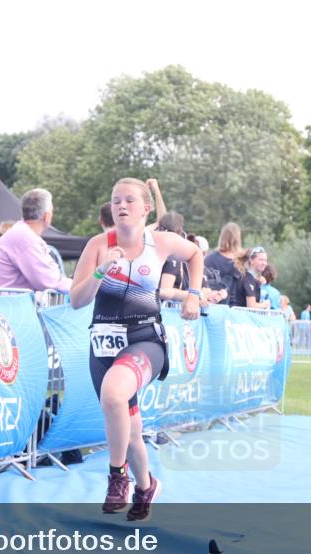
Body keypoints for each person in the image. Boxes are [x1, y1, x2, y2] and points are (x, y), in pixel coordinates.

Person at [69, 177, 203, 521]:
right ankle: (146, 486)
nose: (122, 206)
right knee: (129, 432)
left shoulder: (160, 242)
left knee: (114, 395)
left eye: (130, 200)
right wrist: (101, 272)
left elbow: (195, 254)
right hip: (103, 345)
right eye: (116, 201)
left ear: (146, 209)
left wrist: (194, 294)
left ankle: (117, 478)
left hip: (145, 339)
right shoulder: (98, 245)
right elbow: (75, 301)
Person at [0, 189, 73, 292]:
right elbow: (49, 282)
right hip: (2, 304)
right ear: (46, 216)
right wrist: (77, 285)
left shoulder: (17, 233)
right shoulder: (26, 239)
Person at [205, 222, 244, 305]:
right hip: (237, 307)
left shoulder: (210, 259)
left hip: (214, 304)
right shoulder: (242, 260)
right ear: (238, 238)